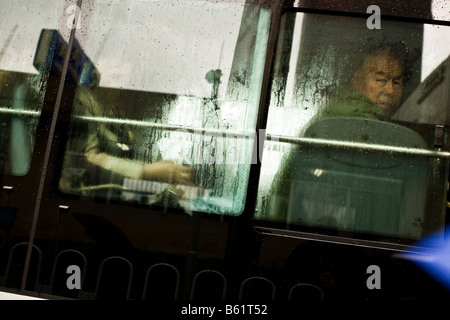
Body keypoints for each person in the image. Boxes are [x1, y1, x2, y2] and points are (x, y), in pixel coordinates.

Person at [266, 40, 419, 223]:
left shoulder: (340, 111)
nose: (390, 90)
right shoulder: (364, 124)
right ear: (356, 80)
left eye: (398, 82)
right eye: (381, 79)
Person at [59, 84, 194, 206]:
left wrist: (166, 181)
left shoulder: (105, 106)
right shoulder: (78, 98)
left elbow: (113, 150)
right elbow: (87, 161)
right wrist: (149, 172)